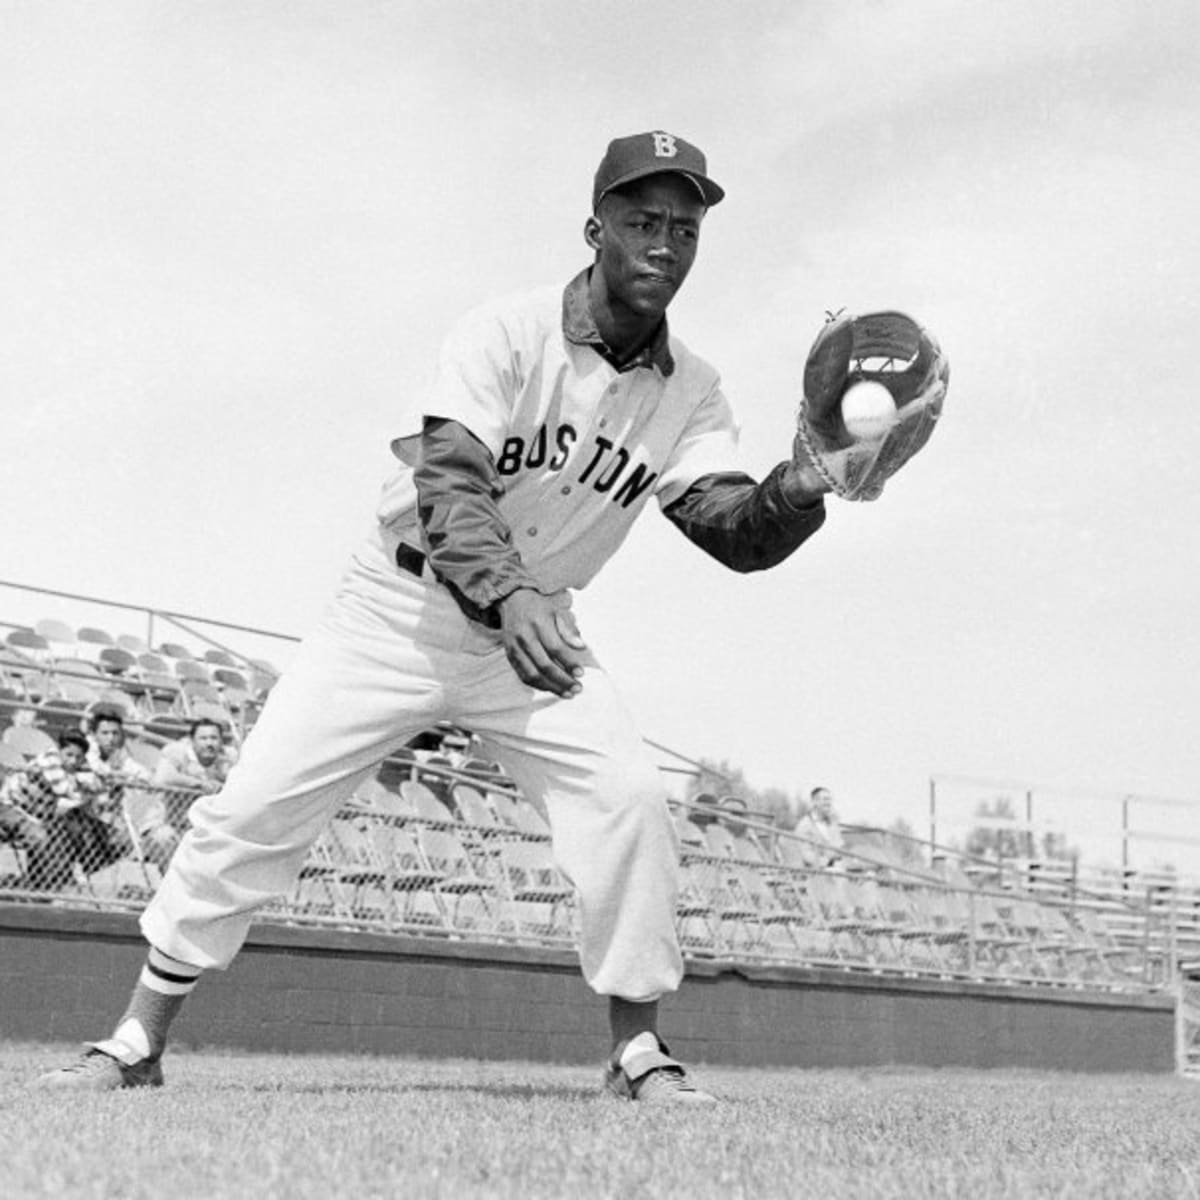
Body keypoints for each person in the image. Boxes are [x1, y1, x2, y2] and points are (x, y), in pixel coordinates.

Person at [36, 130, 932, 1102]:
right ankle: (134, 1041)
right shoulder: (504, 335)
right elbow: (450, 489)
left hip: (532, 629)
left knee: (627, 801)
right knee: (255, 808)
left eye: (684, 226)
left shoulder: (692, 392)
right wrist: (506, 596)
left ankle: (637, 1052)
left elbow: (734, 529)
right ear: (596, 230)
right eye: (642, 220)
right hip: (398, 606)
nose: (664, 242)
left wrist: (803, 483)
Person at [1, 732, 105, 889]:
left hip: (33, 814)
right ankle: (38, 884)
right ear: (59, 750)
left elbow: (98, 787)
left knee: (69, 828)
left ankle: (40, 886)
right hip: (8, 806)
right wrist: (85, 787)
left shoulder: (78, 765)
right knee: (39, 836)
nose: (73, 761)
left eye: (78, 757)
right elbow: (65, 789)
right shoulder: (50, 759)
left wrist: (89, 783)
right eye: (68, 755)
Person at [85, 709, 178, 873]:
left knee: (165, 836)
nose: (111, 738)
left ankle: (169, 889)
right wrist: (116, 776)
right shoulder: (86, 756)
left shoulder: (127, 762)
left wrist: (127, 777)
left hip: (130, 829)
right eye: (105, 733)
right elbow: (95, 770)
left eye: (115, 733)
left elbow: (148, 780)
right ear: (94, 735)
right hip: (92, 823)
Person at [152, 718, 238, 835]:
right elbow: (163, 777)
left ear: (221, 741)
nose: (209, 743)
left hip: (203, 826)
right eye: (203, 738)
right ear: (192, 741)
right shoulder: (176, 750)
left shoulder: (228, 757)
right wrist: (200, 784)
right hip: (165, 822)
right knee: (164, 836)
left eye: (214, 738)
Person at [795, 786, 846, 867]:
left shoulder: (832, 823)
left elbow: (840, 846)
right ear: (815, 802)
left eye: (829, 799)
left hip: (836, 867)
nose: (828, 803)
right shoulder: (805, 825)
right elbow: (806, 855)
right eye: (825, 799)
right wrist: (828, 860)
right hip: (814, 872)